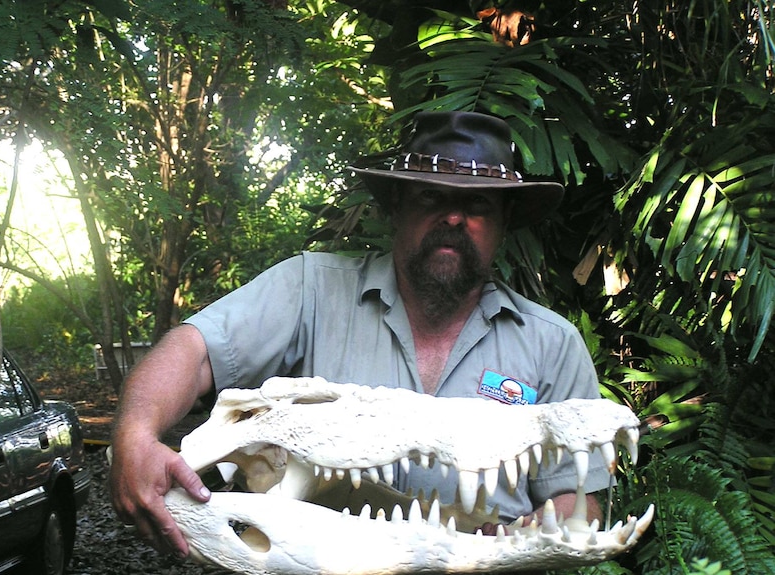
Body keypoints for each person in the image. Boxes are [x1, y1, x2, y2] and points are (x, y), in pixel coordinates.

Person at [109, 111, 610, 560]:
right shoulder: (309, 289)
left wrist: (537, 538)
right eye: (432, 195)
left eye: (478, 205)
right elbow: (194, 351)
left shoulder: (552, 344)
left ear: (503, 225)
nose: (454, 218)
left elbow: (576, 492)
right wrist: (135, 434)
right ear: (397, 206)